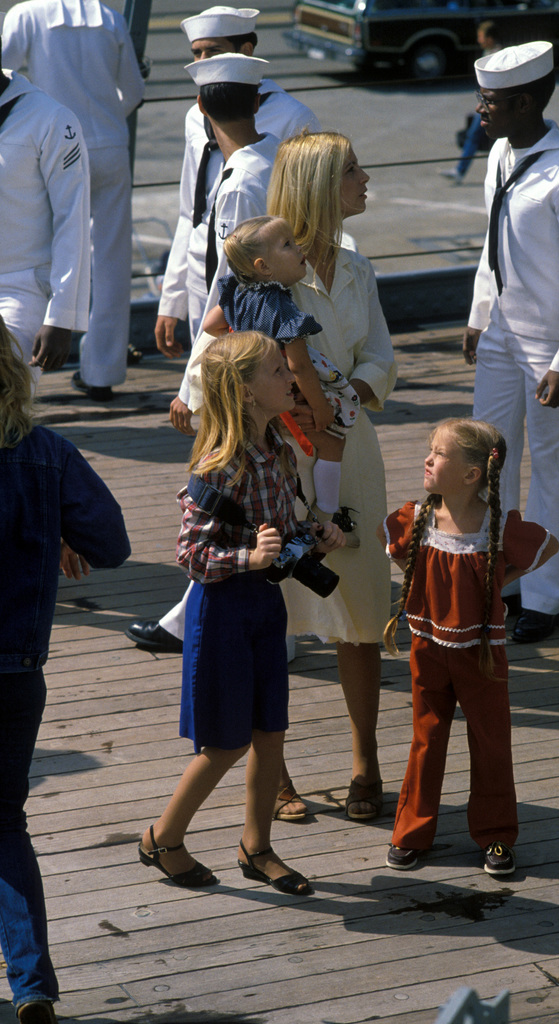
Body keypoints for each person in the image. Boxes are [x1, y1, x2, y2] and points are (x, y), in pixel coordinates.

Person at [137, 330, 344, 896]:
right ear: (248, 393)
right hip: (223, 609)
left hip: (262, 606)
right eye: (279, 372)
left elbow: (277, 523)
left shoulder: (276, 444)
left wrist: (312, 536)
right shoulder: (219, 464)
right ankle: (163, 837)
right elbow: (190, 554)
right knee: (225, 742)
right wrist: (248, 557)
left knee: (269, 732)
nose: (291, 379)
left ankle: (257, 848)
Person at [125, 50, 281, 655]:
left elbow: (229, 286)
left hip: (240, 360)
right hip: (254, 354)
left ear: (200, 106)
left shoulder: (242, 179)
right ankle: (185, 616)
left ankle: (201, 619)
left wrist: (194, 383)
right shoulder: (257, 163)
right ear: (257, 100)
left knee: (227, 491)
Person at [0, 315, 130, 1023]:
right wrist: (47, 523)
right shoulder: (45, 453)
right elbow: (110, 543)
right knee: (5, 822)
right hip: (16, 670)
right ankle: (33, 986)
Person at [267, 130, 398, 820]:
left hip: (351, 454)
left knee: (362, 608)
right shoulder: (261, 270)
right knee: (270, 610)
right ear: (321, 185)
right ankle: (275, 775)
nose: (366, 178)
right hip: (280, 453)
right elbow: (216, 353)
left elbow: (381, 355)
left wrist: (348, 396)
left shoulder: (356, 267)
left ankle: (365, 762)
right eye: (353, 170)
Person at [462, 40, 559, 644]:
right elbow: (490, 243)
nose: (479, 110)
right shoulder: (500, 152)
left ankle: (544, 595)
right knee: (489, 460)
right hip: (501, 336)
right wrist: (478, 315)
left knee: (548, 467)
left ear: (523, 101)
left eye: (489, 101)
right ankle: (503, 577)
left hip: (549, 345)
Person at [379, 419, 557, 875]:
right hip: (428, 648)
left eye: (439, 454)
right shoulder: (419, 519)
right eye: (430, 450)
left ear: (472, 474)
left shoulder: (495, 527)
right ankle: (412, 831)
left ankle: (496, 835)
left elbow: (548, 546)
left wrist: (497, 583)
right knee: (426, 737)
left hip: (481, 652)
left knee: (490, 741)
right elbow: (398, 550)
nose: (428, 458)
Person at [155, 5, 321, 365]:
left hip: (258, 279)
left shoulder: (294, 117)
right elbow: (191, 210)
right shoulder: (195, 115)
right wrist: (173, 299)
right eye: (195, 54)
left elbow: (307, 210)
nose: (201, 62)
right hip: (202, 269)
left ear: (246, 51)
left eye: (211, 52)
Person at [2, 0, 145, 402]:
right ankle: (102, 370)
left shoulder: (27, 14)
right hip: (108, 144)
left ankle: (45, 334)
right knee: (113, 260)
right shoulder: (111, 19)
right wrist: (104, 119)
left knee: (54, 233)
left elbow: (7, 69)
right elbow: (133, 89)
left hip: (43, 145)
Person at [202, 214, 361, 531]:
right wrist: (320, 410)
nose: (299, 246)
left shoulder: (236, 290)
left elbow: (210, 325)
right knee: (332, 444)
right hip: (285, 395)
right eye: (288, 244)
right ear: (264, 267)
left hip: (253, 390)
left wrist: (243, 346)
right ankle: (327, 514)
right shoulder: (281, 308)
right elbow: (299, 366)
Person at [0, 39, 90, 380]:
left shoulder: (49, 119)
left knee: (9, 404)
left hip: (21, 287)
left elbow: (73, 218)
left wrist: (62, 316)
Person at [441, 21, 500, 185]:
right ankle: (461, 171)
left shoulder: (497, 56)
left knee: (487, 139)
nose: (479, 40)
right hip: (485, 104)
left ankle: (463, 171)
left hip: (493, 106)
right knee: (475, 137)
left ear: (490, 38)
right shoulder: (487, 51)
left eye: (481, 37)